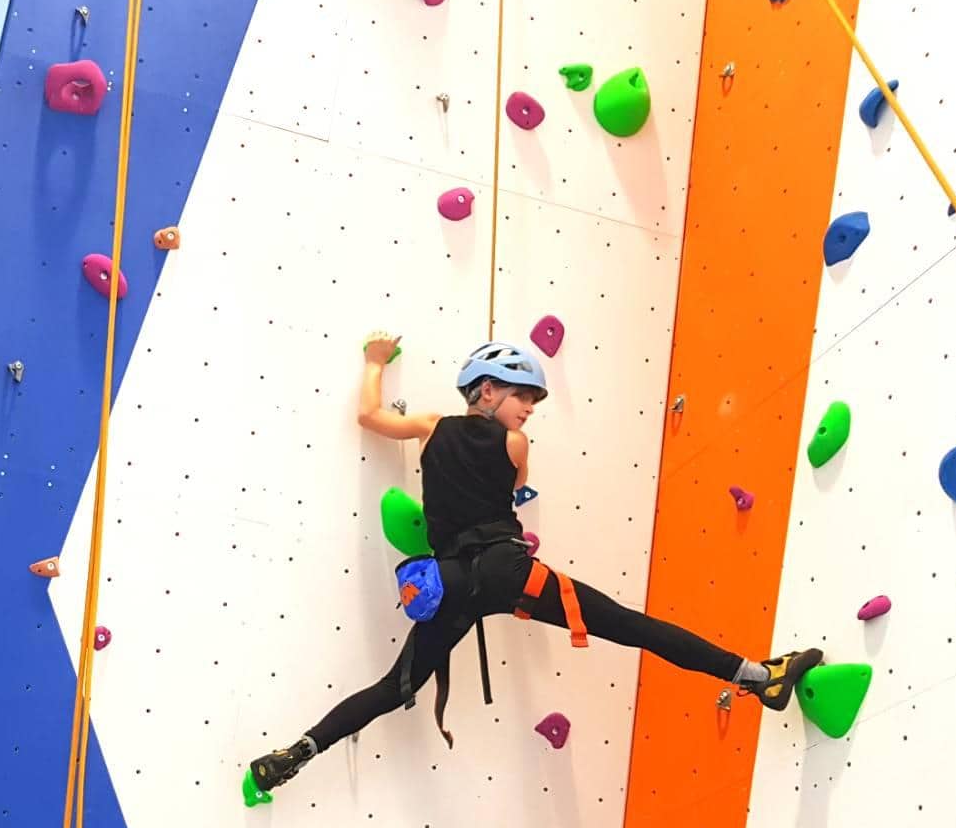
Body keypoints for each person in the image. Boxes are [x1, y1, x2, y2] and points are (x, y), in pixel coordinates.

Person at [246, 335, 821, 796]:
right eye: (523, 398)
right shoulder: (515, 446)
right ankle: (757, 677)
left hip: (446, 585)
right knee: (628, 625)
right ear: (488, 391)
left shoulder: (428, 428)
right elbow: (514, 486)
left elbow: (370, 416)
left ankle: (297, 752)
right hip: (504, 571)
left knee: (394, 688)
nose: (528, 412)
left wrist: (374, 361)